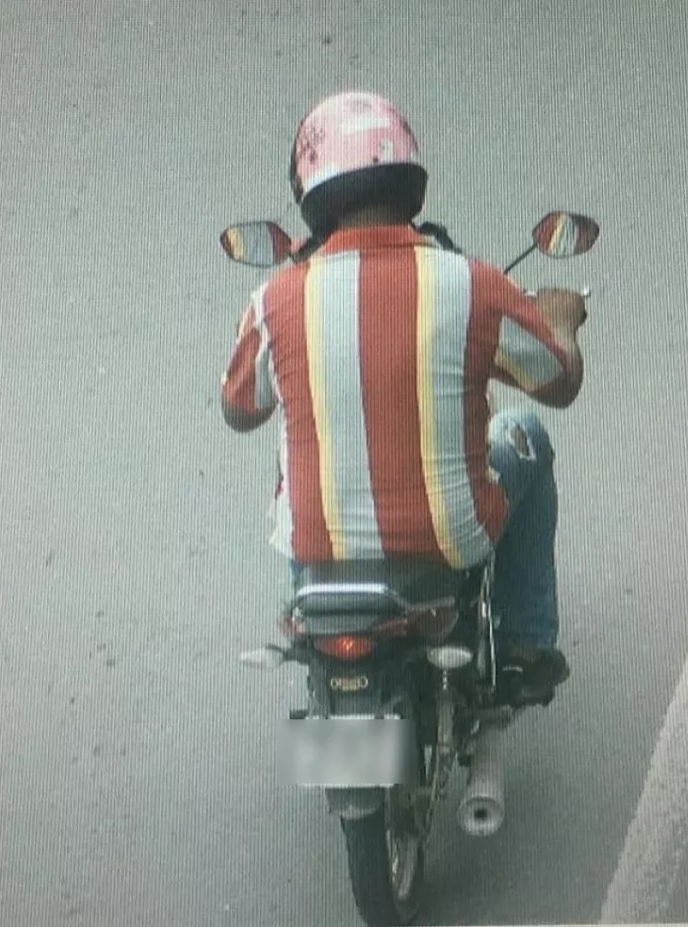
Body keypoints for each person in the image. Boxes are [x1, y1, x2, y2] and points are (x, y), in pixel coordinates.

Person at [220, 91, 587, 704]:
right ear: (409, 184)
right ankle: (525, 647)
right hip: (450, 541)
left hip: (315, 556)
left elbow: (239, 411)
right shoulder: (473, 286)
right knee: (524, 432)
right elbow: (559, 384)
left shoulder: (275, 301)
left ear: (312, 198)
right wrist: (563, 322)